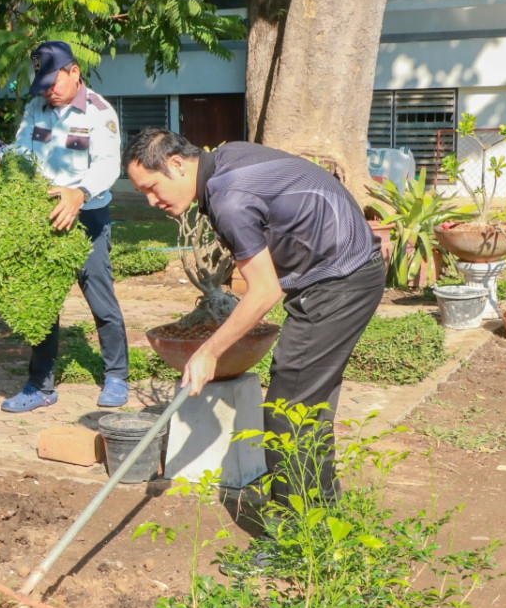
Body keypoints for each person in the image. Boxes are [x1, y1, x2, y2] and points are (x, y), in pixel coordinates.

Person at [123, 129, 384, 530]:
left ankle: (293, 536)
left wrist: (209, 352)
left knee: (286, 414)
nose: (151, 201)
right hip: (350, 270)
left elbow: (264, 291)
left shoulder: (228, 198)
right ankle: (323, 523)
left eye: (152, 188)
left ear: (177, 164)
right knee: (308, 408)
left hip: (338, 281)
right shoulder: (227, 158)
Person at [4, 40, 130, 413]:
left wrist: (80, 193)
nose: (48, 92)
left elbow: (108, 164)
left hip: (87, 216)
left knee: (100, 298)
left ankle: (117, 376)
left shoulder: (99, 113)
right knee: (42, 302)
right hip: (43, 217)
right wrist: (3, 163)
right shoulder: (36, 108)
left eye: (53, 83)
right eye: (42, 85)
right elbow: (21, 151)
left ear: (74, 72)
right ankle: (40, 386)